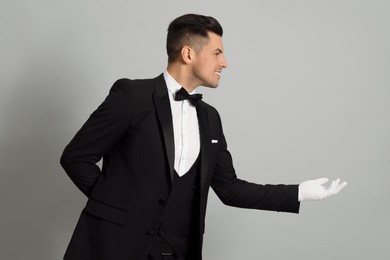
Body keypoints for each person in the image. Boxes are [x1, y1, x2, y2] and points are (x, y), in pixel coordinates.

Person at [60, 13, 347, 260]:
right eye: (217, 53)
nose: (225, 63)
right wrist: (117, 208)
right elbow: (76, 158)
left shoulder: (210, 118)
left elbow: (229, 188)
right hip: (114, 249)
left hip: (179, 251)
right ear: (188, 54)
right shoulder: (132, 96)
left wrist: (300, 192)